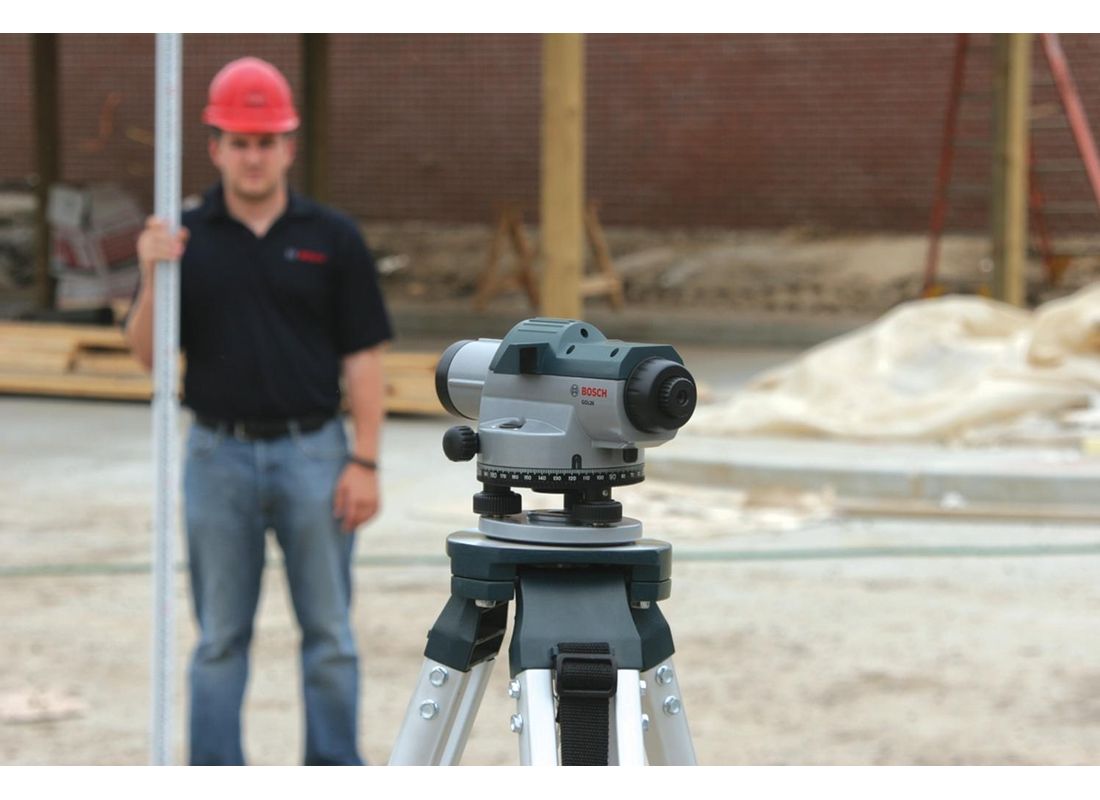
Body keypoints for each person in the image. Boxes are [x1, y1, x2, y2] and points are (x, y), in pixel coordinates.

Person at [124, 56, 392, 766]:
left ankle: (332, 771)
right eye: (239, 142)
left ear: (288, 146)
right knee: (219, 638)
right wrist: (152, 272)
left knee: (329, 635)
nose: (252, 156)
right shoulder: (184, 238)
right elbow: (150, 357)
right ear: (214, 146)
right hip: (217, 456)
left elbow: (364, 358)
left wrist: (365, 460)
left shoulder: (333, 238)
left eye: (265, 141)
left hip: (315, 454)